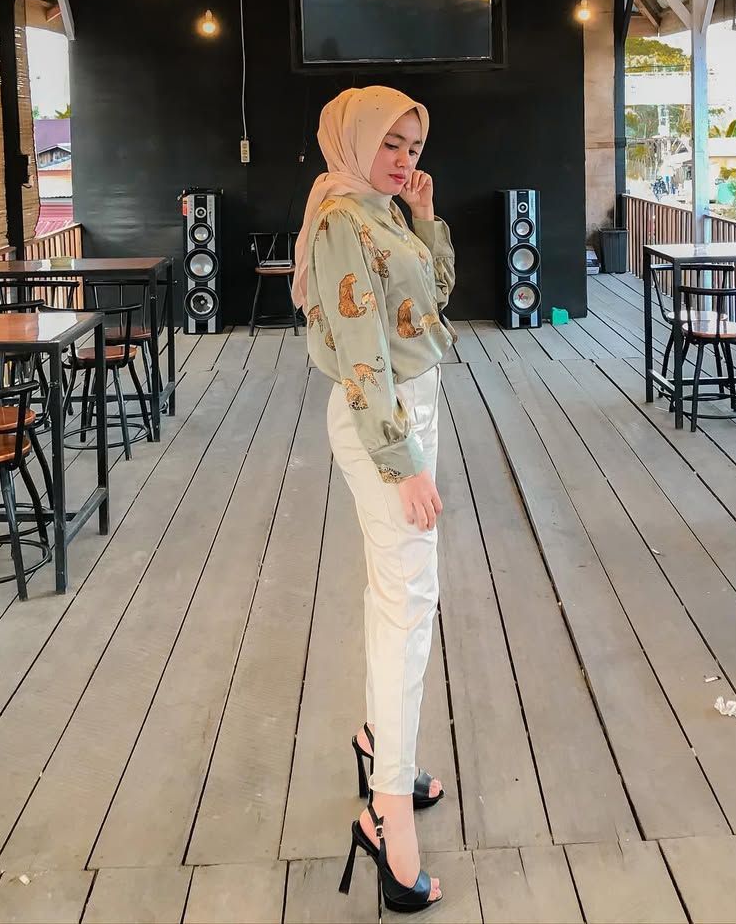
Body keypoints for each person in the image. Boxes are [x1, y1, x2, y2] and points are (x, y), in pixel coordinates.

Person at [292, 85, 456, 914]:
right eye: (390, 142)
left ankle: (377, 738)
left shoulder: (382, 210)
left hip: (409, 407)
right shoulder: (339, 221)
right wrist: (404, 460)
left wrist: (424, 216)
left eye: (413, 147)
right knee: (408, 606)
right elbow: (364, 356)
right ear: (354, 138)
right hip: (385, 420)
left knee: (393, 593)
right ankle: (387, 812)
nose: (403, 159)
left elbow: (434, 302)